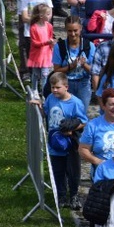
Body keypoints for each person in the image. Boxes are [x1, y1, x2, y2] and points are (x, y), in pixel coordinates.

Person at [40, 72, 87, 210]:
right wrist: (39, 106)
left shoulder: (75, 103)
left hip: (70, 144)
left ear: (66, 87)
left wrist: (72, 129)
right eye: (52, 87)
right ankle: (61, 196)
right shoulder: (50, 98)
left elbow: (83, 122)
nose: (54, 90)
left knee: (72, 171)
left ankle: (73, 195)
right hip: (55, 143)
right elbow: (46, 113)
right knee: (58, 171)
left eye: (57, 87)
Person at [79, 88, 114, 177]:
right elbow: (83, 149)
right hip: (102, 174)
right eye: (111, 105)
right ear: (103, 106)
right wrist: (98, 162)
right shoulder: (93, 125)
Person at [52, 16, 94, 110]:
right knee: (66, 112)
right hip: (66, 83)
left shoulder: (89, 46)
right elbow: (56, 70)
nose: (73, 34)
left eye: (75, 30)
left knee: (82, 113)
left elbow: (94, 71)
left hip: (83, 83)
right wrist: (71, 66)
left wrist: (84, 65)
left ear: (81, 29)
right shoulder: (59, 47)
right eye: (69, 31)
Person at [19, 0, 51, 81]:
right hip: (30, 33)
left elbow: (49, 15)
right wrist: (39, 19)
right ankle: (33, 76)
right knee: (31, 55)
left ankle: (43, 77)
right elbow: (24, 17)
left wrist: (34, 18)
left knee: (44, 54)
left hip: (44, 32)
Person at [27, 3, 54, 94]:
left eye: (49, 14)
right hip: (37, 55)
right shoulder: (34, 28)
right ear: (41, 15)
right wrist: (46, 42)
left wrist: (51, 45)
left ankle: (43, 92)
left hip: (46, 54)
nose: (49, 16)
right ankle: (34, 89)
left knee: (45, 74)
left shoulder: (49, 26)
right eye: (48, 14)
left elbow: (50, 37)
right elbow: (34, 43)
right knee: (36, 73)